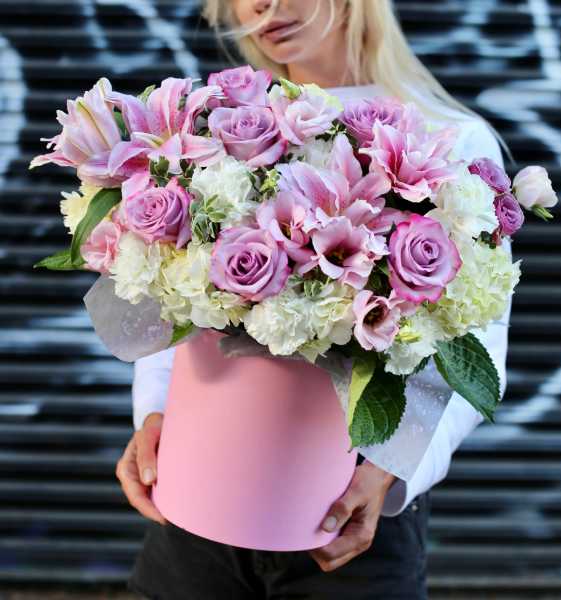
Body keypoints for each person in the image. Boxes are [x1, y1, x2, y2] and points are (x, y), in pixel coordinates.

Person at [117, 1, 512, 598]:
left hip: (344, 512)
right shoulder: (221, 127)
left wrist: (388, 470)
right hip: (198, 497)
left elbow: (474, 346)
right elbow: (168, 298)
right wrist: (153, 415)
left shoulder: (448, 138)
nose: (262, 5)